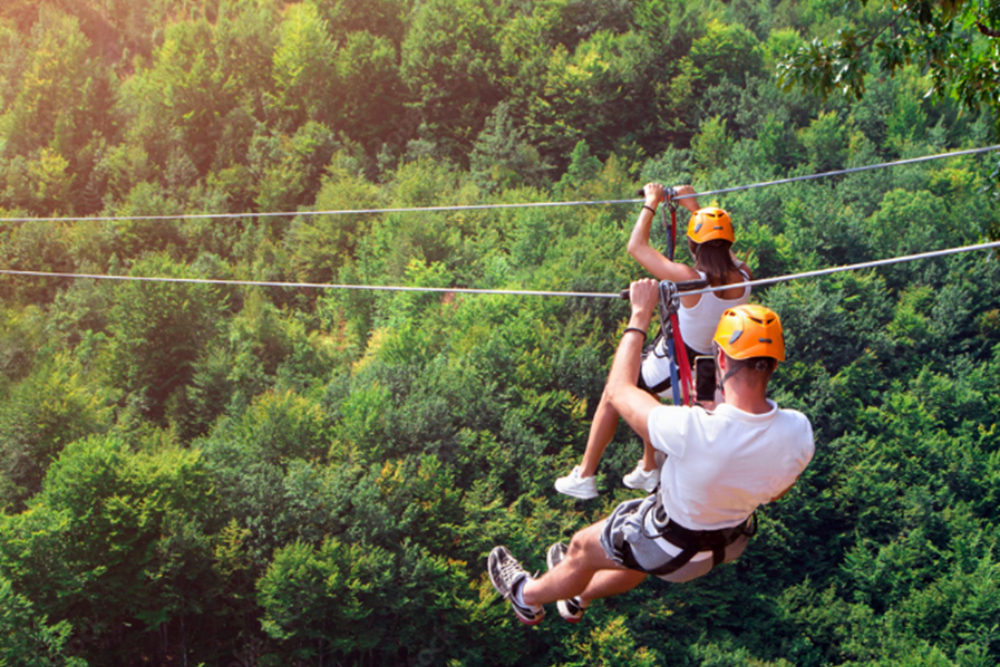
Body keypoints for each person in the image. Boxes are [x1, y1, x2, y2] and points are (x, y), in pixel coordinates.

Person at [489, 281, 814, 625]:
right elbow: (776, 491)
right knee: (634, 555)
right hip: (724, 544)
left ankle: (526, 597)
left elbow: (618, 390)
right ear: (774, 365)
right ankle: (578, 596)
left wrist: (640, 315)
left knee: (582, 548)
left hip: (669, 545)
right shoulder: (798, 432)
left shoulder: (692, 429)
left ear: (721, 357)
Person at [555, 183, 755, 499]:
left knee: (615, 390)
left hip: (677, 364)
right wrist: (694, 208)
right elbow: (722, 250)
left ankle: (585, 474)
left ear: (693, 246)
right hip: (707, 370)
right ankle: (649, 468)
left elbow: (636, 247)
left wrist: (651, 202)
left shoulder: (690, 280)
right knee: (648, 392)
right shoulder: (745, 277)